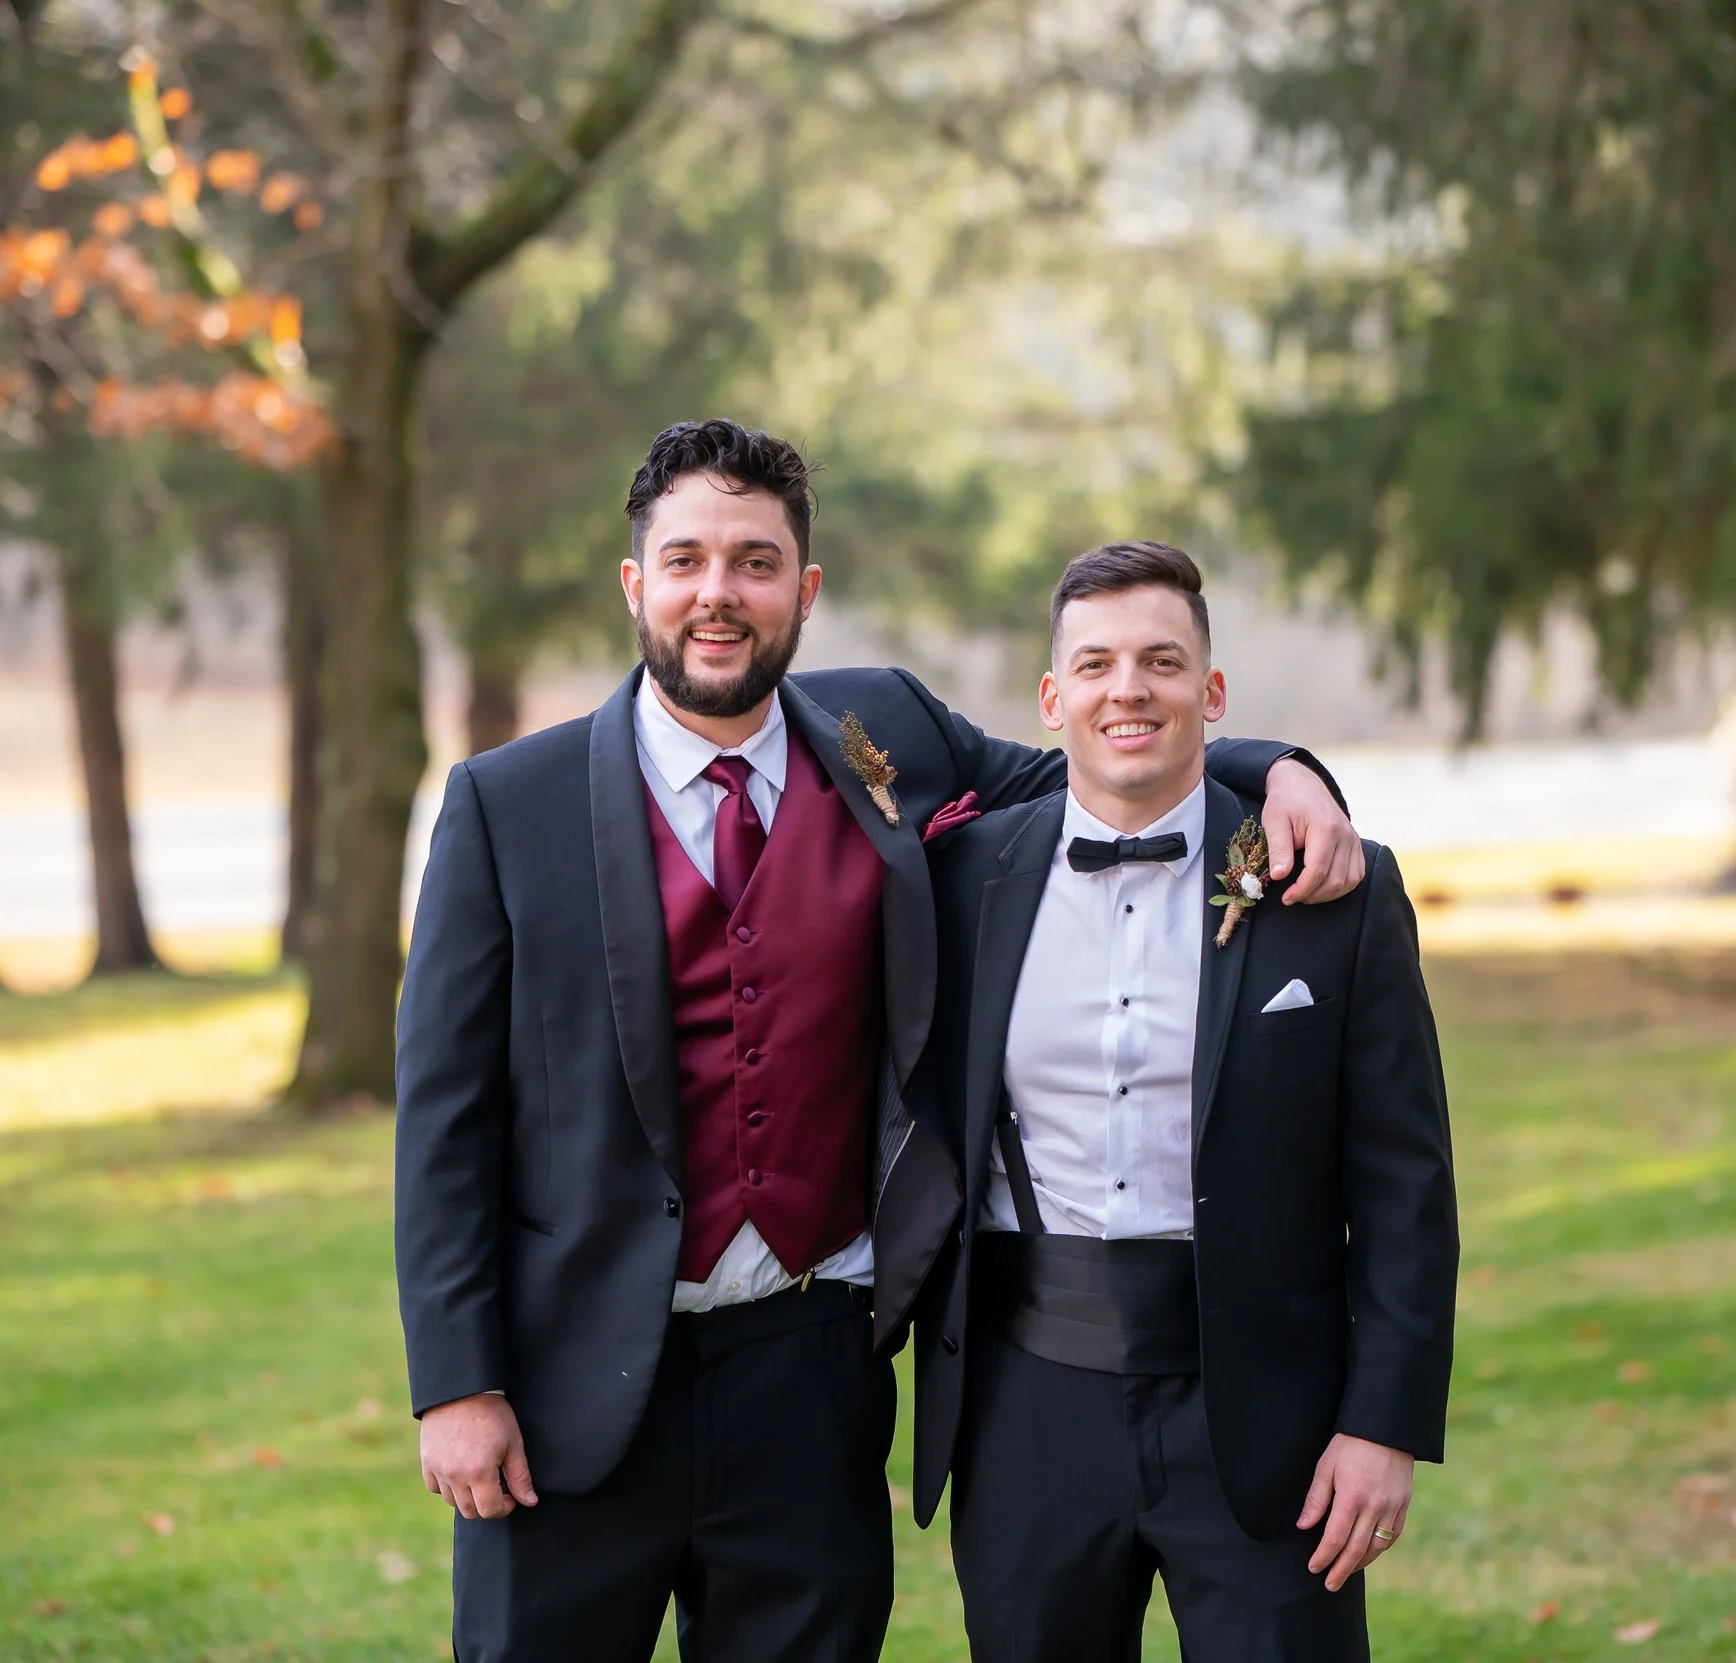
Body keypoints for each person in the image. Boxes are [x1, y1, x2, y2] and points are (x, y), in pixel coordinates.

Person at [393, 421, 1366, 1663]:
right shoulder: (503, 805)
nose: (718, 594)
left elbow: (1102, 755)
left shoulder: (883, 733)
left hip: (814, 1366)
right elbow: (443, 1125)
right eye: (685, 560)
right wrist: (457, 1383)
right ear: (637, 585)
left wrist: (1278, 766)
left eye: (754, 563)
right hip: (568, 1385)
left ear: (802, 592)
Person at [907, 540, 1459, 1663]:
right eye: (1098, 664)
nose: (1129, 690)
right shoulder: (960, 882)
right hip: (1026, 1408)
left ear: (1210, 693)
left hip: (1268, 1414)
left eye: (1162, 662)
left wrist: (1381, 1423)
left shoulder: (1334, 891)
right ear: (1053, 697)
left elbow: (1405, 1182)